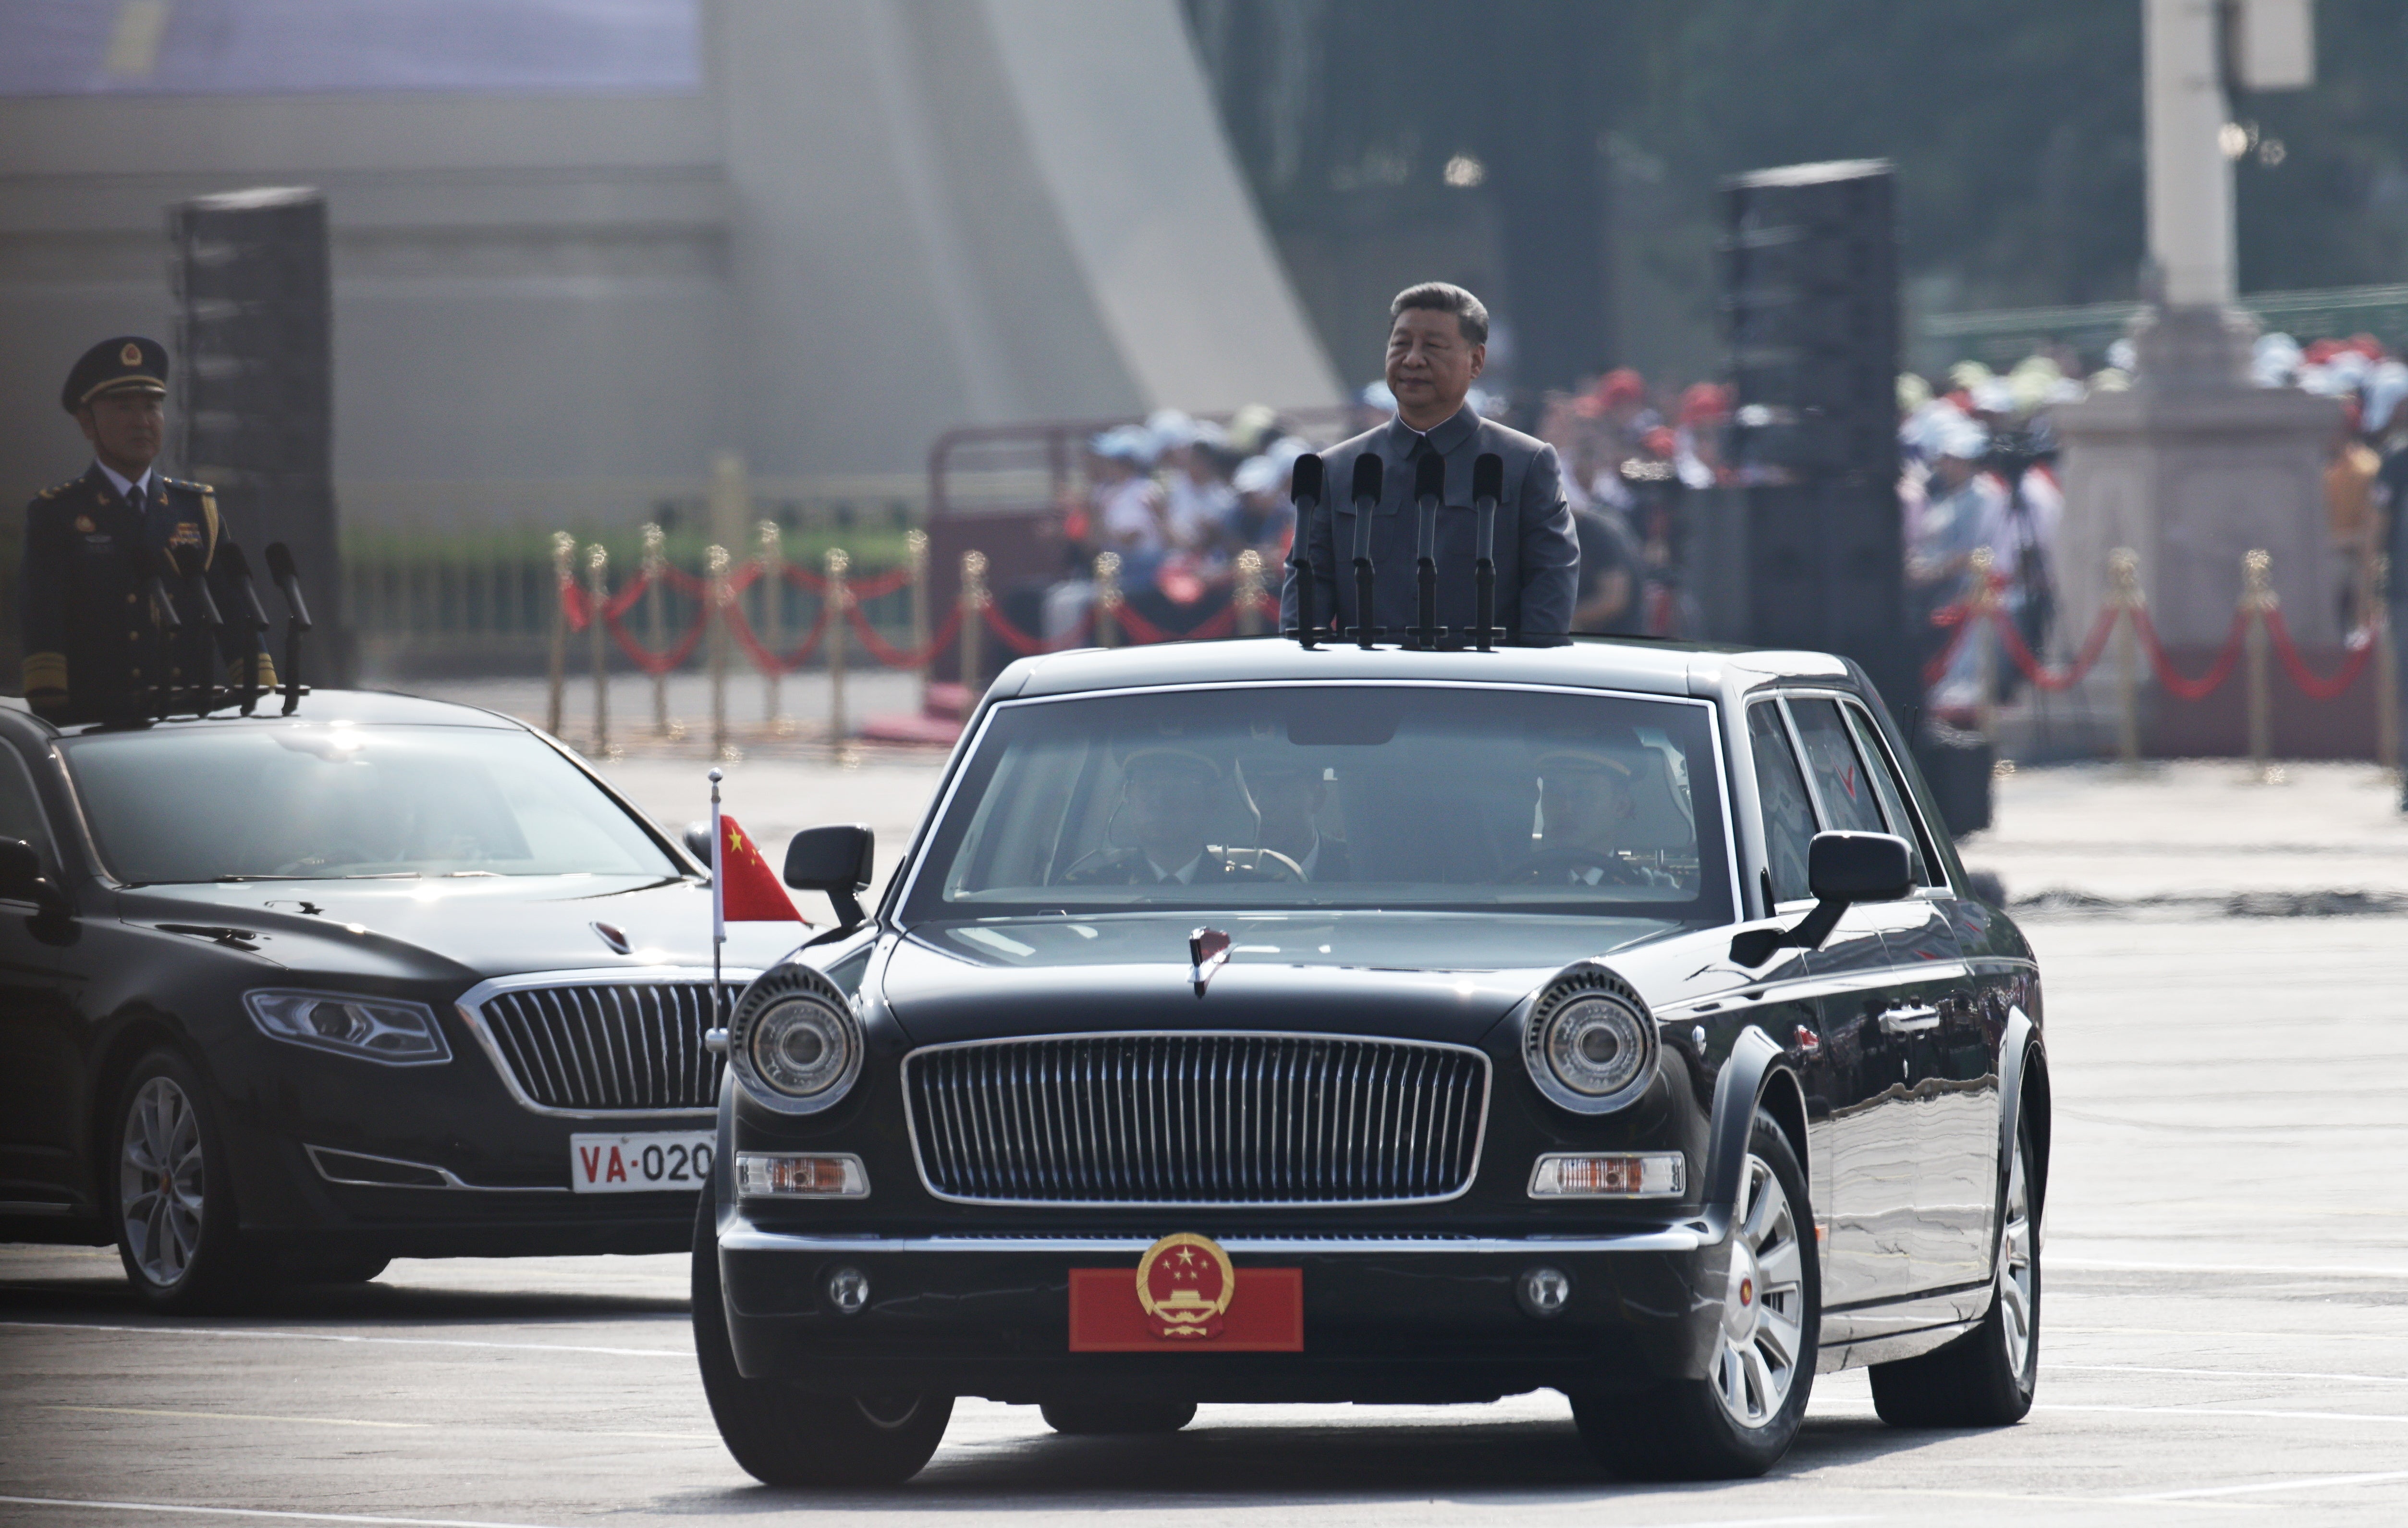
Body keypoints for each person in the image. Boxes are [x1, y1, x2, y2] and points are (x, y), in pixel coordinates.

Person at [1280, 282, 1579, 641]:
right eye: (1401, 344)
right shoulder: (1338, 469)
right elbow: (1304, 613)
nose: (1412, 359)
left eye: (1433, 346)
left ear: (1477, 361)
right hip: (1368, 689)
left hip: (1485, 689)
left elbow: (1548, 602)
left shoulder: (1524, 464)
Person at [20, 336, 275, 722]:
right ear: (87, 423)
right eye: (124, 408)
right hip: (94, 719)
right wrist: (49, 692)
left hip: (185, 717)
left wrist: (256, 677)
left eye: (152, 407)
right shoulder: (59, 514)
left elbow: (231, 602)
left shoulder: (195, 509)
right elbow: (43, 612)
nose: (142, 421)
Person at [1061, 747, 1289, 886]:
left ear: (1212, 800)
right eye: (1148, 784)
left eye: (1183, 785)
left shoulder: (1258, 893)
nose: (1161, 800)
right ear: (1127, 795)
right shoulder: (1083, 893)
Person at [1235, 755, 1349, 880]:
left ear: (1318, 798)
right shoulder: (1222, 871)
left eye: (1276, 790)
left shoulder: (1357, 869)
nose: (1260, 807)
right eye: (1250, 791)